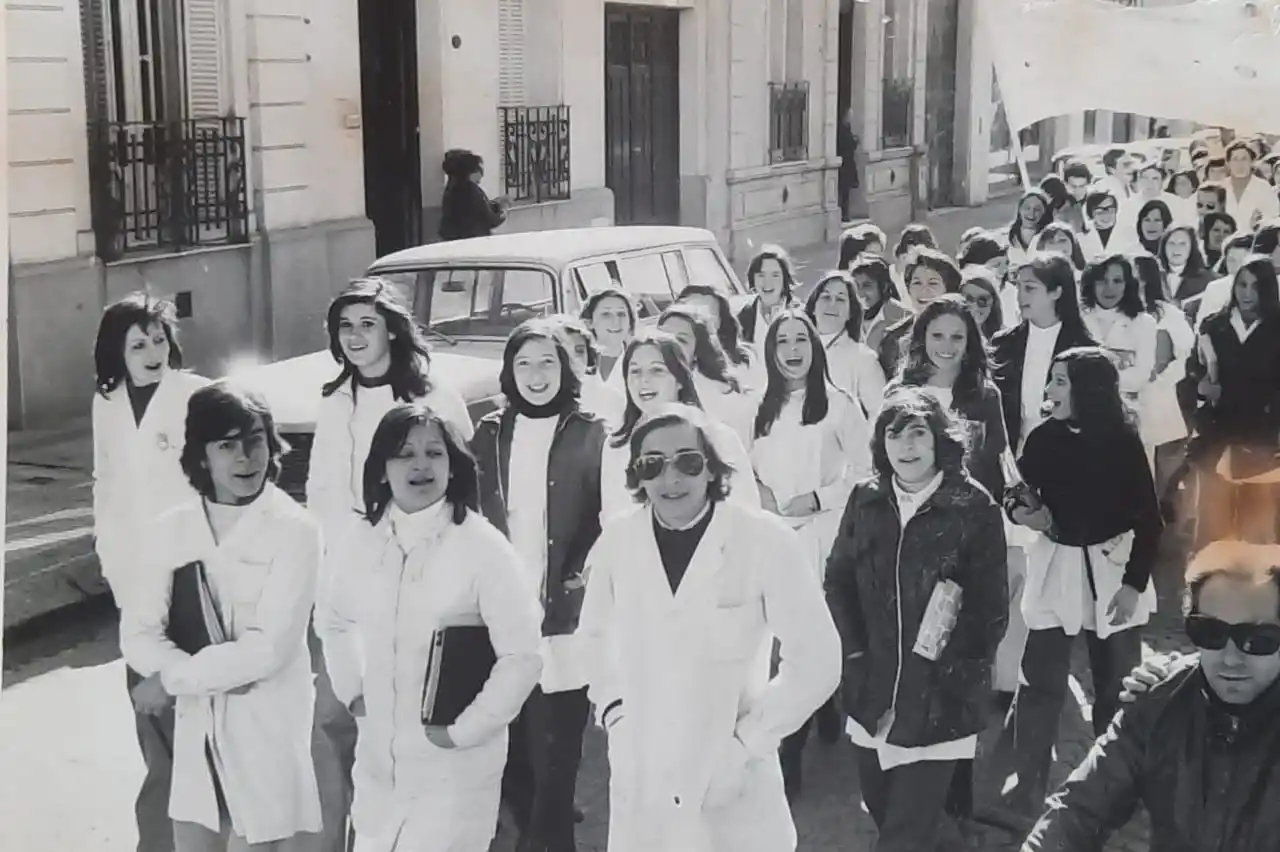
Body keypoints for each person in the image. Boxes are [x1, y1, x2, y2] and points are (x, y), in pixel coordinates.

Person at [577, 405, 842, 852]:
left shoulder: (765, 539)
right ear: (637, 477)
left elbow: (817, 661)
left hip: (733, 774)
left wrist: (748, 743)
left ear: (713, 468)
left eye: (688, 461)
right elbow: (595, 640)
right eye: (652, 465)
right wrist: (615, 714)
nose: (671, 478)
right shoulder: (617, 543)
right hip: (643, 770)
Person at [317, 403, 542, 852]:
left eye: (434, 453)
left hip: (454, 775)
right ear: (382, 469)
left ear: (452, 465)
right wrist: (355, 691)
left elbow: (522, 657)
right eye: (405, 454)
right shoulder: (360, 540)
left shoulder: (484, 547)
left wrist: (464, 730)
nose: (421, 465)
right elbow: (333, 619)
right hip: (380, 771)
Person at [306, 278, 472, 852]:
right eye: (345, 326)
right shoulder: (334, 399)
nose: (355, 337)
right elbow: (321, 491)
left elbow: (462, 493)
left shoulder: (432, 398)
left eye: (367, 324)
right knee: (332, 720)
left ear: (392, 330)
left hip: (418, 576)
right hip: (347, 577)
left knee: (411, 727)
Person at [121, 380, 323, 852]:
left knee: (264, 838)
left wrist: (169, 681)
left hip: (267, 725)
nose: (245, 458)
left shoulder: (297, 531)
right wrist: (202, 676)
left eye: (254, 440)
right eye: (227, 445)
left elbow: (269, 649)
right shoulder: (170, 530)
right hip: (196, 728)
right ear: (202, 456)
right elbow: (137, 635)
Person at [982, 348, 1162, 834]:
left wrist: (1131, 587)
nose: (1049, 392)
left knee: (1116, 687)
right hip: (1055, 569)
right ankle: (1024, 794)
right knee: (1039, 683)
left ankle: (1114, 791)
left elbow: (1151, 521)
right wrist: (1024, 510)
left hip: (1112, 572)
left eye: (1060, 382)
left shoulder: (1123, 442)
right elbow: (1015, 488)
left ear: (1088, 389)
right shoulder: (1044, 439)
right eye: (1052, 381)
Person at [825, 389, 1008, 852]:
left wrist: (948, 675)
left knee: (903, 837)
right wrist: (855, 653)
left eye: (917, 434)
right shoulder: (865, 499)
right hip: (872, 695)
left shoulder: (974, 505)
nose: (906, 446)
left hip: (938, 704)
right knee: (893, 816)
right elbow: (839, 580)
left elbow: (990, 609)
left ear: (939, 440)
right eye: (894, 435)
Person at [1022, 540, 1280, 852]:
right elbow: (1078, 810)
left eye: (1259, 640)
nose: (1230, 657)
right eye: (1210, 633)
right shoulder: (1159, 702)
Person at [471, 320, 606, 852]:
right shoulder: (488, 433)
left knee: (558, 754)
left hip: (564, 619)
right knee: (512, 755)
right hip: (501, 617)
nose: (535, 374)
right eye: (523, 363)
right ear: (508, 371)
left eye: (547, 362)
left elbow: (611, 517)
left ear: (565, 368)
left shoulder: (592, 432)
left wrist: (585, 571)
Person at [92, 292, 209, 852]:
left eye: (159, 339)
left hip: (190, 575)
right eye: (138, 344)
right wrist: (108, 554)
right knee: (149, 707)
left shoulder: (196, 395)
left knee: (195, 707)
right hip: (134, 579)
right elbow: (105, 481)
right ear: (117, 352)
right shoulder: (107, 402)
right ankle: (161, 839)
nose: (152, 351)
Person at [600, 329, 758, 519]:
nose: (644, 381)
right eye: (635, 371)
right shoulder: (616, 446)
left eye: (657, 370)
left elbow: (746, 512)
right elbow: (612, 518)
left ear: (680, 380)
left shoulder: (719, 438)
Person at [1180, 256, 1280, 546]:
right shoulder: (1214, 326)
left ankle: (1261, 592)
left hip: (1261, 441)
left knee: (1258, 532)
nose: (1247, 293)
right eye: (1242, 284)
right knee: (1211, 529)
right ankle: (1203, 590)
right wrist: (1200, 388)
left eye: (1256, 286)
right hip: (1215, 438)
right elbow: (1190, 377)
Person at [989, 254, 1097, 456]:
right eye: (1018, 287)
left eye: (1030, 288)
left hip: (1067, 454)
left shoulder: (1085, 349)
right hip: (1012, 456)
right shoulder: (1003, 343)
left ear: (1056, 292)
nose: (1021, 296)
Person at [659, 304, 759, 449]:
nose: (670, 346)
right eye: (663, 337)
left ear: (696, 350)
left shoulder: (724, 399)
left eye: (682, 340)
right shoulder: (642, 387)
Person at [1077, 255, 1158, 424]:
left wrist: (1094, 382)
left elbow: (1140, 376)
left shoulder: (1144, 323)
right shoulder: (1077, 320)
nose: (1109, 288)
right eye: (1102, 281)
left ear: (1127, 284)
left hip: (1130, 414)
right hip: (1083, 414)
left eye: (1117, 281)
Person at [803, 271, 887, 415]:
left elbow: (879, 414)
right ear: (813, 307)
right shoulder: (795, 349)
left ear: (850, 313)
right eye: (826, 297)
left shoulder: (863, 359)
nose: (832, 304)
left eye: (840, 299)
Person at [877, 248, 964, 379]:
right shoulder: (893, 339)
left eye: (933, 283)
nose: (924, 290)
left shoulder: (964, 332)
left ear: (948, 288)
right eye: (917, 283)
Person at [546, 313, 625, 428]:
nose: (573, 360)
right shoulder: (537, 402)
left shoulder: (611, 400)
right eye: (562, 352)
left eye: (579, 351)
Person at [580, 286, 638, 404]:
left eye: (621, 314)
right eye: (606, 314)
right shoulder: (578, 362)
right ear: (589, 322)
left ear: (630, 323)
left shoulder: (639, 362)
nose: (615, 322)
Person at [738, 246, 799, 354]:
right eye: (761, 275)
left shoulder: (801, 314)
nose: (767, 282)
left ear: (785, 278)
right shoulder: (743, 317)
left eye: (775, 275)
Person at [438, 149, 508, 241]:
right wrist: (503, 210)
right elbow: (490, 220)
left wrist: (495, 203)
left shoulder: (451, 190)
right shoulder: (472, 191)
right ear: (471, 171)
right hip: (472, 241)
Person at [849, 254, 910, 356]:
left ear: (884, 286)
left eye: (867, 286)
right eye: (855, 286)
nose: (860, 293)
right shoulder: (846, 316)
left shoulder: (903, 317)